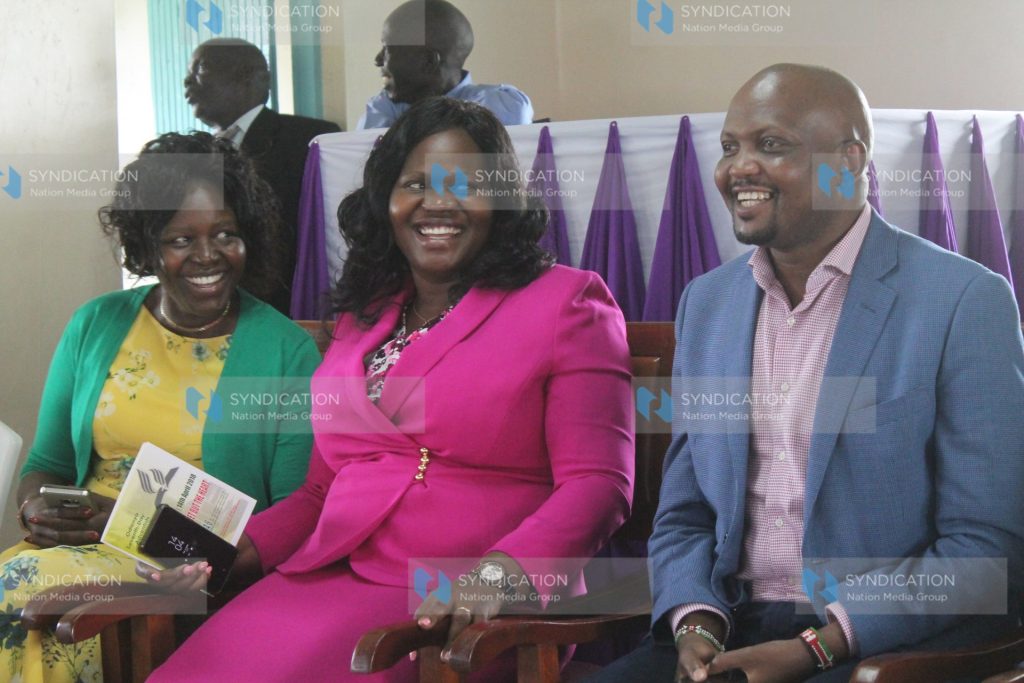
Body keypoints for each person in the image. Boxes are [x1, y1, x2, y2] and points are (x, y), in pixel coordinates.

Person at [145, 97, 634, 682]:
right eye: (415, 184)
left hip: (470, 606)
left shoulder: (566, 303)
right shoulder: (365, 316)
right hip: (332, 576)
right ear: (388, 200)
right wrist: (224, 551)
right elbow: (320, 494)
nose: (438, 202)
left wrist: (498, 574)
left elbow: (598, 484)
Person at [589, 64, 1024, 683]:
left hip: (884, 644)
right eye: (730, 147)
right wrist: (694, 620)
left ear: (850, 159)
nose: (738, 168)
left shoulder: (961, 301)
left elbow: (988, 553)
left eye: (772, 146)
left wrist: (821, 645)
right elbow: (686, 515)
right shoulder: (707, 304)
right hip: (730, 629)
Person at [0, 132, 322, 683]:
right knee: (19, 582)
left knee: (27, 595)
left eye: (226, 234)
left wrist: (131, 528)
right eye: (181, 239)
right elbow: (46, 464)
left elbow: (290, 518)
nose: (208, 255)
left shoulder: (285, 351)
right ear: (147, 246)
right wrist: (36, 511)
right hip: (70, 554)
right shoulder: (96, 324)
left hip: (193, 574)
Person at [185, 38, 342, 315]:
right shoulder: (195, 154)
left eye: (200, 69)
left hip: (285, 313)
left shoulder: (306, 139)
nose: (187, 81)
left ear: (249, 76)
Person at [356, 0, 533, 130]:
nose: (378, 60)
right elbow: (371, 165)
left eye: (387, 50)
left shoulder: (504, 103)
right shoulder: (383, 106)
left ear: (428, 61)